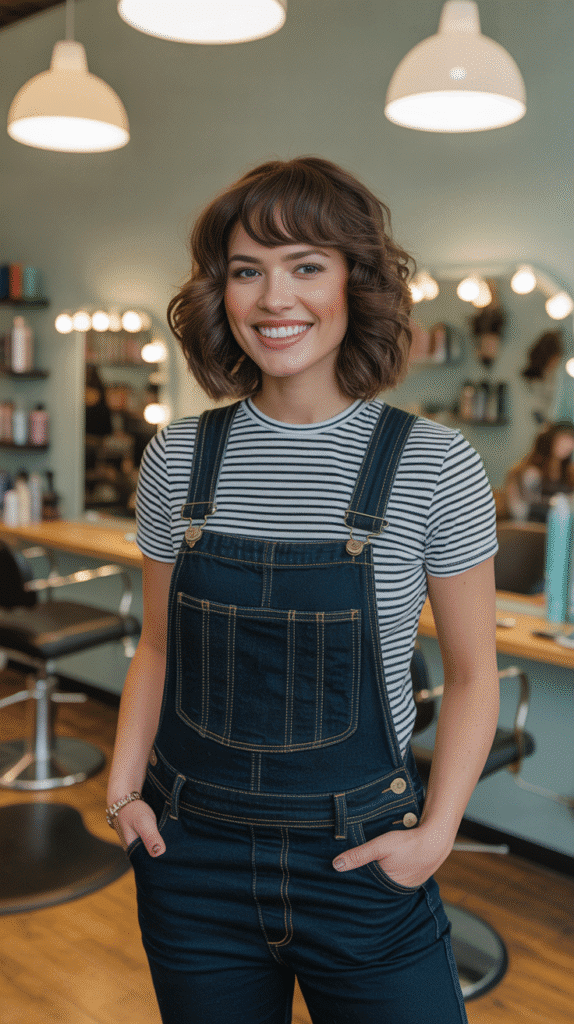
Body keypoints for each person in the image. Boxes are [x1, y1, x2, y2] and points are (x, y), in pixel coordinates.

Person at [106, 156, 500, 1024]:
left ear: (357, 283)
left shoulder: (435, 463)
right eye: (247, 271)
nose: (274, 298)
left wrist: (435, 836)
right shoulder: (177, 456)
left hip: (361, 861)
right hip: (191, 862)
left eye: (306, 266)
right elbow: (159, 647)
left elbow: (475, 675)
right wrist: (124, 792)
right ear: (221, 293)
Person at [504, 420, 574, 522]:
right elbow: (523, 510)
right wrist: (559, 502)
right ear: (550, 439)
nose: (569, 444)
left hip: (560, 526)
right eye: (564, 438)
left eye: (571, 440)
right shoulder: (531, 472)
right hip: (533, 527)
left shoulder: (568, 472)